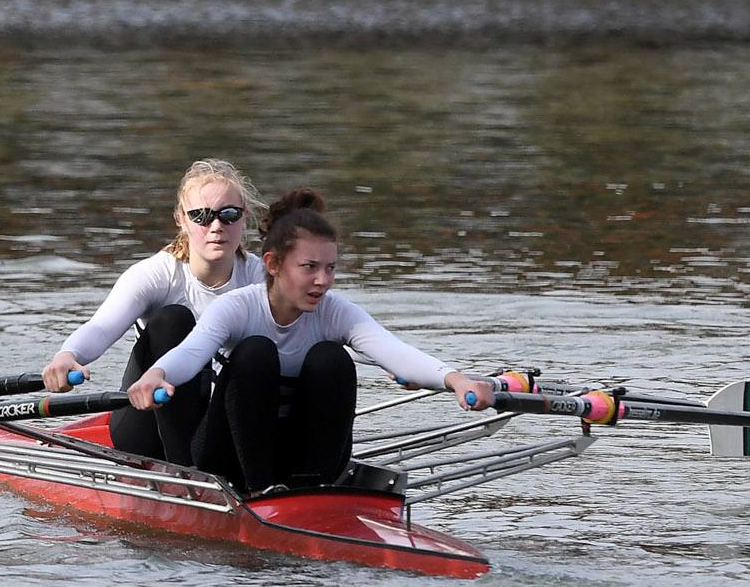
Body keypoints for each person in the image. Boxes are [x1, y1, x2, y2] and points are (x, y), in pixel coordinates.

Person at [127, 188, 498, 494]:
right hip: (227, 458)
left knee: (331, 358)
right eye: (309, 268)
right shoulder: (237, 308)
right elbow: (194, 351)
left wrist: (456, 380)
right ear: (272, 265)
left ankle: (313, 487)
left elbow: (392, 350)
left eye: (330, 268)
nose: (323, 281)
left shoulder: (334, 312)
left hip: (304, 461)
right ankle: (260, 491)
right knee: (256, 352)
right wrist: (158, 374)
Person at [40, 159, 267, 462]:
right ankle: (184, 471)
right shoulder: (156, 275)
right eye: (201, 216)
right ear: (181, 220)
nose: (216, 227)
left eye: (228, 214)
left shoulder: (262, 278)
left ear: (244, 217)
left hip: (216, 426)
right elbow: (102, 327)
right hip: (145, 427)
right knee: (174, 319)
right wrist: (68, 356)